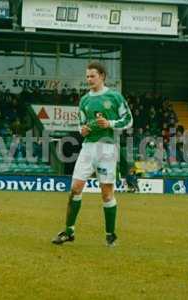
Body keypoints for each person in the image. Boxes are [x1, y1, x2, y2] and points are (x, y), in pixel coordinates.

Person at [52, 61, 133, 247]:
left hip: (107, 148)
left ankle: (110, 234)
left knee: (106, 194)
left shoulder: (114, 97)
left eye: (92, 76)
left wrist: (110, 124)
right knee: (75, 188)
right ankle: (69, 231)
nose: (89, 79)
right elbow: (80, 125)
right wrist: (83, 130)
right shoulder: (84, 100)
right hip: (88, 148)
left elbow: (128, 119)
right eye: (87, 76)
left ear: (102, 76)